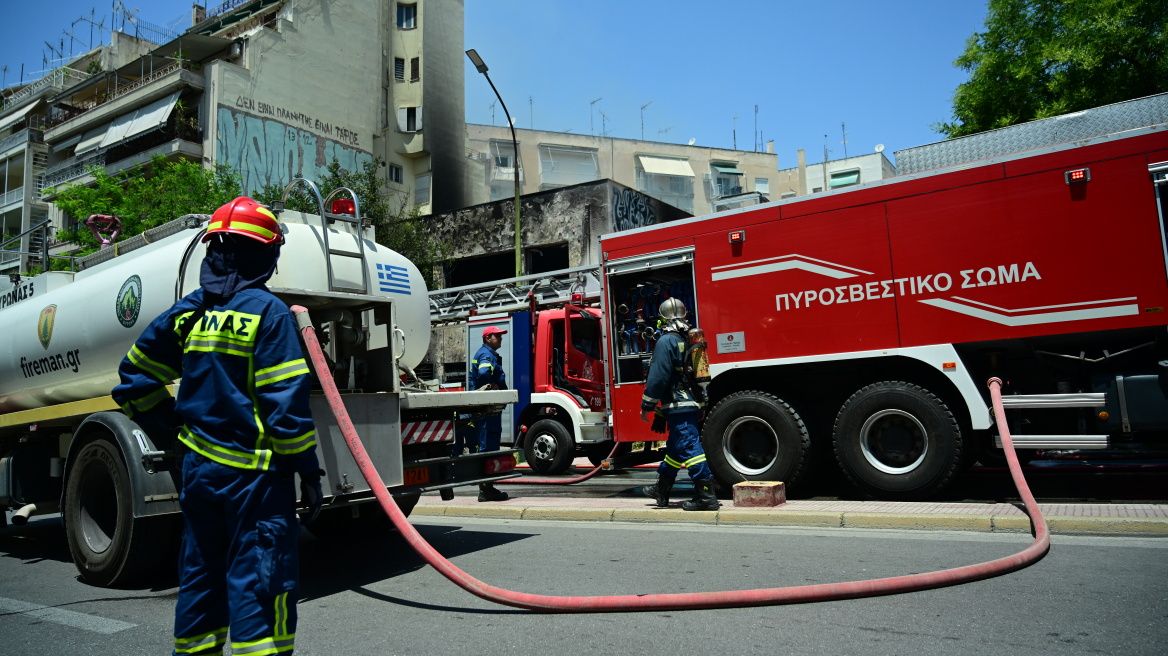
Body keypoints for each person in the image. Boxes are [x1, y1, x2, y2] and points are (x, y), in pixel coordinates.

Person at [112, 196, 322, 656]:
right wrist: (308, 471)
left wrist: (172, 430)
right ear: (267, 255)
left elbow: (133, 378)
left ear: (212, 252)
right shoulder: (269, 314)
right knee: (261, 582)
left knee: (201, 579)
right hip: (255, 480)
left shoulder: (187, 313)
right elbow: (285, 411)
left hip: (199, 474)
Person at [641, 297, 721, 511]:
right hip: (690, 402)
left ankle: (706, 497)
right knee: (676, 448)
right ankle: (662, 489)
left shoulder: (666, 341)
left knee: (689, 448)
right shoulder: (688, 339)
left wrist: (647, 405)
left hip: (678, 404)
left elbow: (659, 377)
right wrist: (702, 404)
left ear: (662, 319)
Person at [470, 325, 510, 502]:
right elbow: (484, 373)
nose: (500, 339)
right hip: (487, 410)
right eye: (497, 336)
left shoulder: (488, 353)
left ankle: (487, 488)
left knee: (489, 447)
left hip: (488, 409)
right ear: (488, 338)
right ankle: (486, 490)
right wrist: (490, 386)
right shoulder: (486, 355)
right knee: (488, 448)